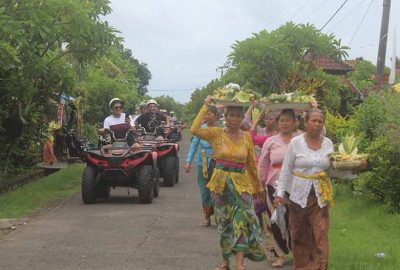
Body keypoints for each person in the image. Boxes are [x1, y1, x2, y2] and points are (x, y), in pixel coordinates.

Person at [191, 96, 265, 270]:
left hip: (241, 185)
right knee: (224, 223)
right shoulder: (217, 133)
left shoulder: (247, 137)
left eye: (238, 115)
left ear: (242, 118)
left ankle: (240, 264)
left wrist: (258, 187)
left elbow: (251, 165)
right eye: (231, 115)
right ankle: (225, 262)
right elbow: (194, 129)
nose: (234, 119)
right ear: (225, 116)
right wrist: (205, 105)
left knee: (242, 222)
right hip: (220, 185)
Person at [273, 109, 334, 270]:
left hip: (320, 197)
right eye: (313, 120)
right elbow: (286, 169)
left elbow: (334, 170)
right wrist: (280, 194)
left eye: (320, 121)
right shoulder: (296, 143)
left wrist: (354, 169)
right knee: (300, 236)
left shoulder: (328, 143)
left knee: (320, 235)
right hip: (298, 198)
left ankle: (320, 267)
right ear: (305, 123)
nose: (317, 124)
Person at [257, 109, 297, 268]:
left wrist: (312, 107)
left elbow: (321, 132)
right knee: (275, 221)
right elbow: (263, 163)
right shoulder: (271, 141)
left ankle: (297, 254)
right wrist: (260, 185)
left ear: (295, 123)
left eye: (288, 120)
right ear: (277, 123)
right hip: (273, 187)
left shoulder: (299, 140)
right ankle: (279, 255)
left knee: (293, 222)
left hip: (295, 187)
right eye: (282, 120)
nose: (284, 123)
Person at [185, 105, 219, 226]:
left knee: (217, 191)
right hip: (202, 164)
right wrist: (188, 161)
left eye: (210, 114)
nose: (207, 116)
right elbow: (193, 146)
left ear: (215, 115)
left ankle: (219, 217)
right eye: (206, 114)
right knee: (205, 191)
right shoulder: (200, 129)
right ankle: (207, 216)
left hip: (218, 164)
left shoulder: (221, 130)